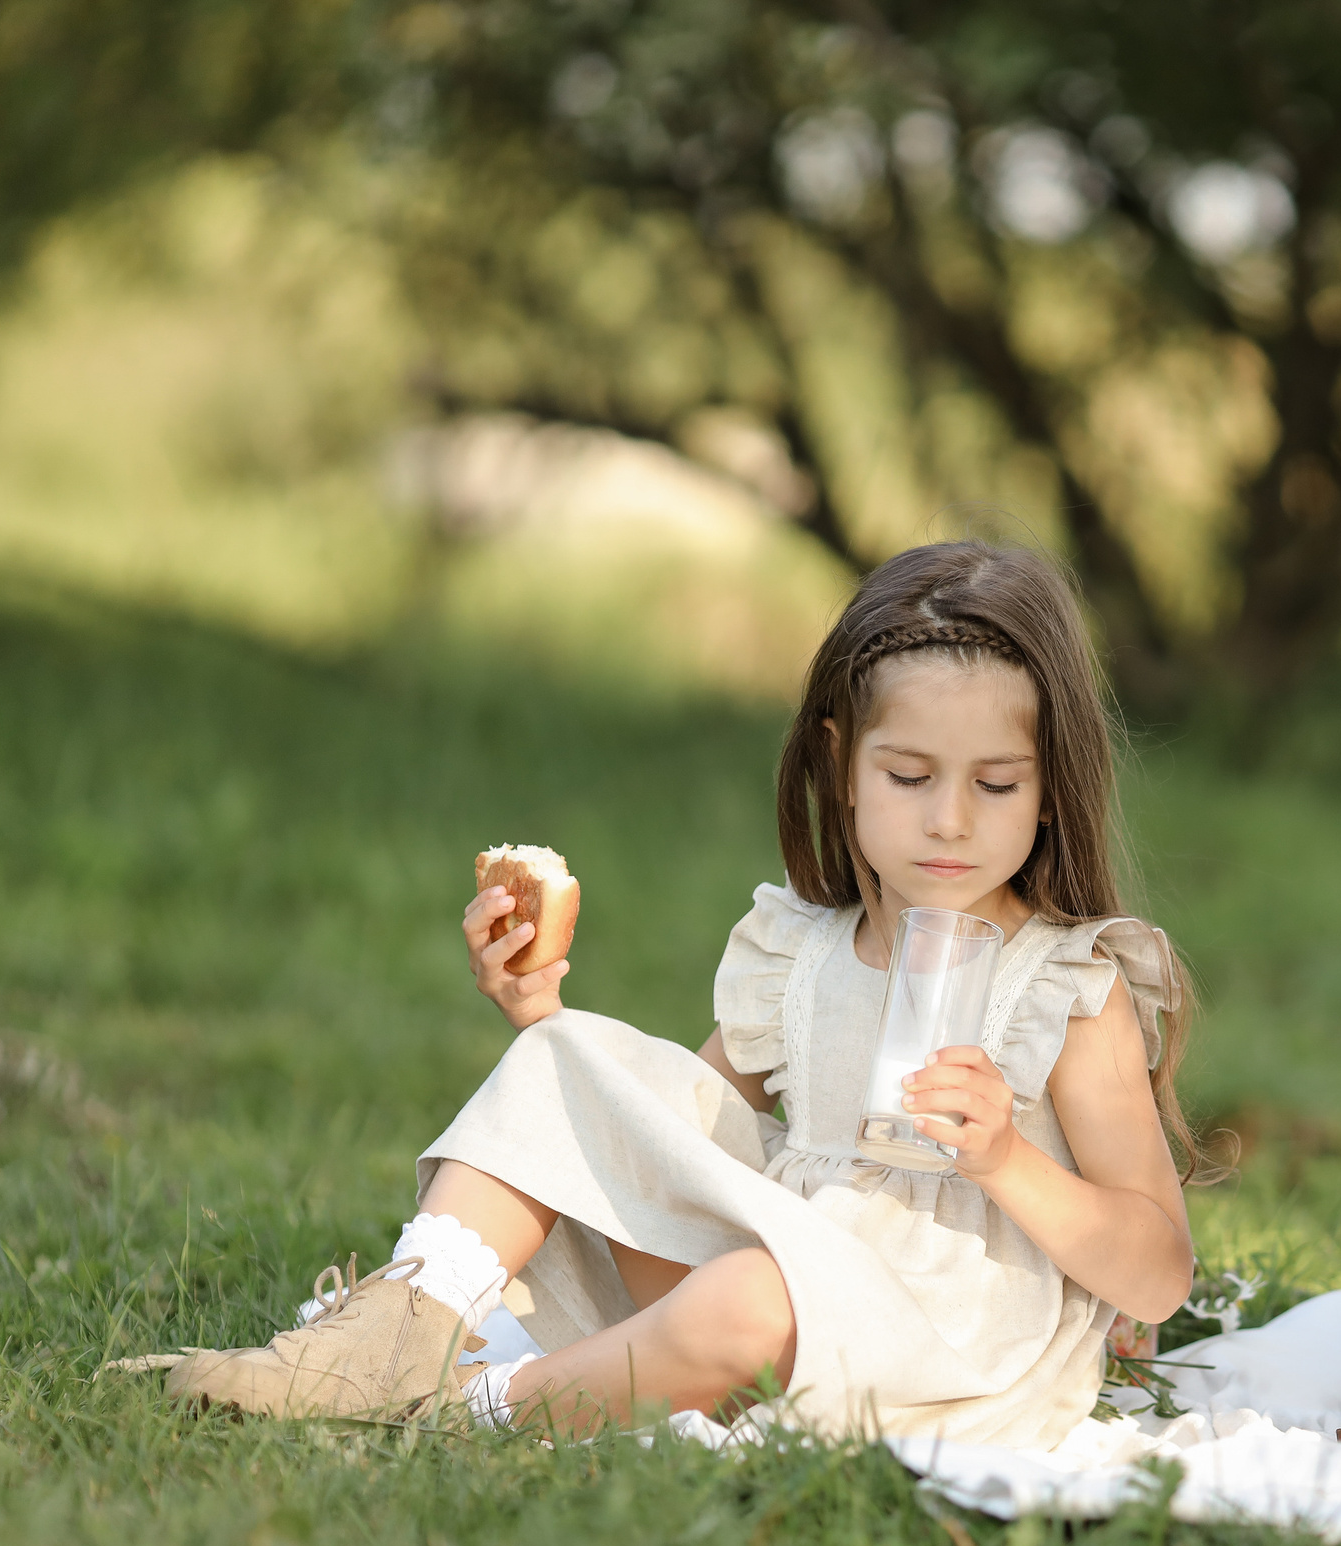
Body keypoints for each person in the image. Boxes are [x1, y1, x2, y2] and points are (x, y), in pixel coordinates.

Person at [169, 542, 1196, 1448]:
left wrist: (1006, 1159)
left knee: (749, 1297)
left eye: (997, 784)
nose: (949, 822)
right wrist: (543, 1028)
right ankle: (390, 1334)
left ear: (1052, 786)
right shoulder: (799, 952)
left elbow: (1158, 1272)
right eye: (910, 775)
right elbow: (665, 1141)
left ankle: (472, 1407)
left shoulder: (1065, 986)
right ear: (842, 767)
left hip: (941, 1348)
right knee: (583, 1063)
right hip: (781, 1287)